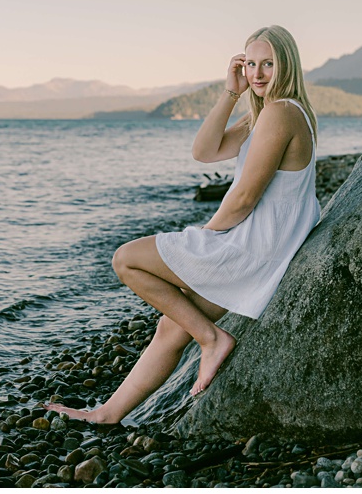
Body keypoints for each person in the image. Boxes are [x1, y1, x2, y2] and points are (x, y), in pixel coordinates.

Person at [45, 25, 321, 424]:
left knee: (126, 260)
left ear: (287, 65)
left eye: (269, 64)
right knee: (172, 326)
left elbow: (244, 197)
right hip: (266, 250)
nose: (258, 74)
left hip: (252, 249)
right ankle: (106, 414)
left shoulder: (281, 113)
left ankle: (212, 339)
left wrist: (204, 239)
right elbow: (204, 152)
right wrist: (231, 92)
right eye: (250, 64)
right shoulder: (266, 113)